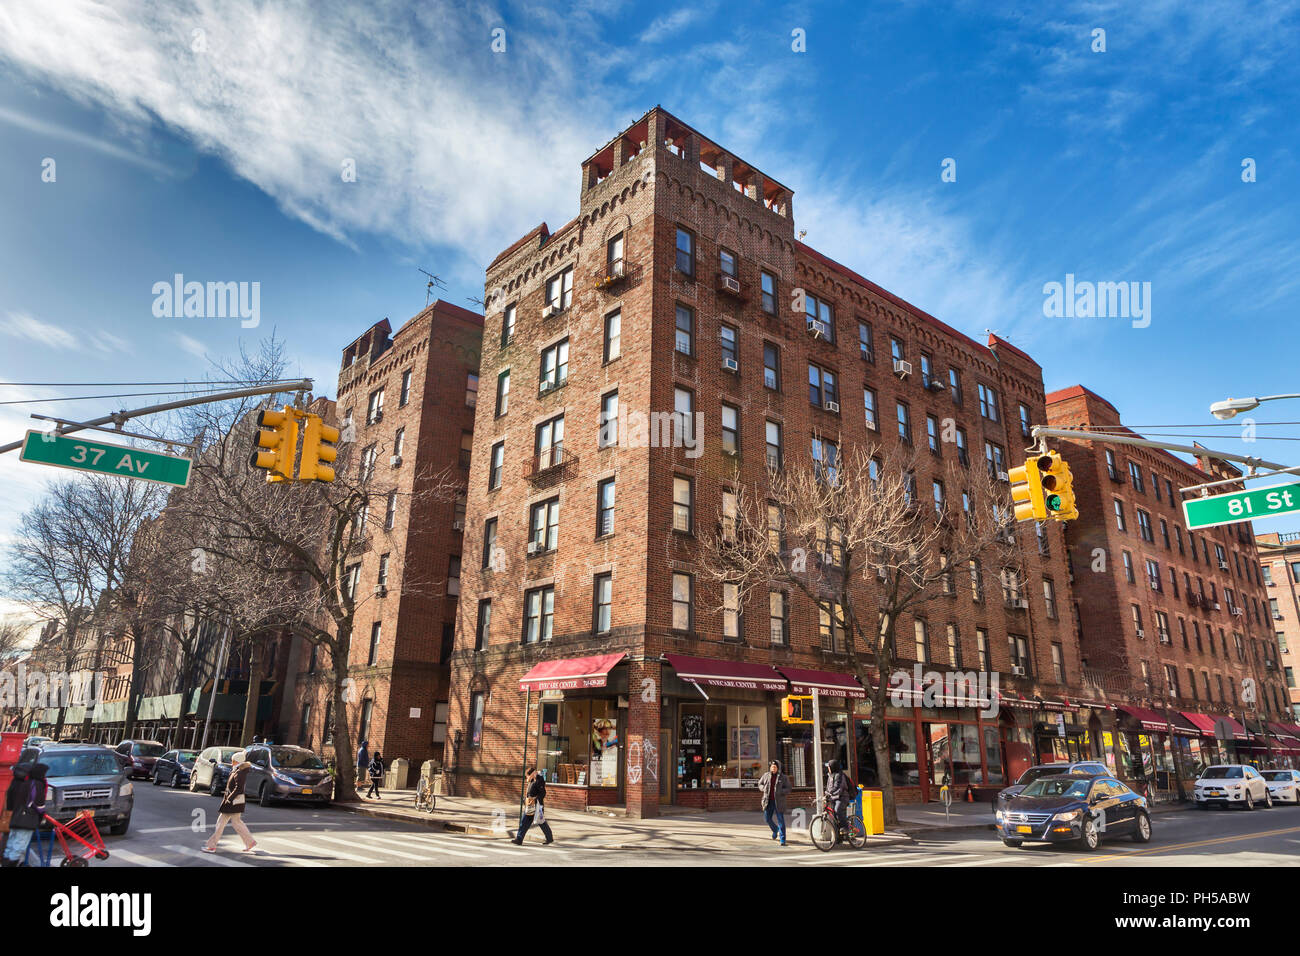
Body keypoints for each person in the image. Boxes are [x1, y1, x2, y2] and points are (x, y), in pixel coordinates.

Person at [203, 751, 257, 853]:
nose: (232, 762)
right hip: (235, 802)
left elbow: (239, 788)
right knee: (236, 823)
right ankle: (250, 842)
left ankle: (212, 846)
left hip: (232, 802)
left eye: (233, 761)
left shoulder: (240, 772)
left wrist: (229, 799)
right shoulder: (239, 770)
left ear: (237, 761)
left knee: (220, 824)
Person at [1, 762, 45, 867]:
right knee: (19, 846)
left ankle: (6, 863)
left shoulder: (14, 783)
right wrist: (41, 816)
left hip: (14, 817)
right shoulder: (33, 784)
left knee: (11, 844)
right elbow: (38, 804)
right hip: (27, 819)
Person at [512, 765, 554, 845]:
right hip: (530, 805)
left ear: (533, 773)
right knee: (524, 822)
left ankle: (549, 838)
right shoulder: (531, 781)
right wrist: (526, 799)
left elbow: (543, 793)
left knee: (541, 822)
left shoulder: (539, 780)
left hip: (537, 806)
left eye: (528, 776)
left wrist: (535, 799)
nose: (527, 778)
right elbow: (529, 792)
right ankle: (519, 839)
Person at [757, 758, 792, 846]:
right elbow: (759, 784)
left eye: (775, 767)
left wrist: (781, 792)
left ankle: (782, 839)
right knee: (767, 819)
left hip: (778, 802)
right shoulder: (766, 775)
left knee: (781, 820)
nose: (773, 768)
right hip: (768, 801)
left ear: (778, 768)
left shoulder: (783, 777)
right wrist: (763, 788)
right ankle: (775, 830)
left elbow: (788, 788)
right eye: (772, 767)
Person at [825, 759, 853, 838]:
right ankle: (838, 838)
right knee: (834, 818)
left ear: (833, 767)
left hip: (842, 797)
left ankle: (846, 828)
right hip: (834, 797)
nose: (828, 768)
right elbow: (828, 787)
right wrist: (826, 793)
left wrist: (830, 792)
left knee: (838, 810)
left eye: (829, 767)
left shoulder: (840, 775)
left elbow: (839, 787)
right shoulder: (830, 776)